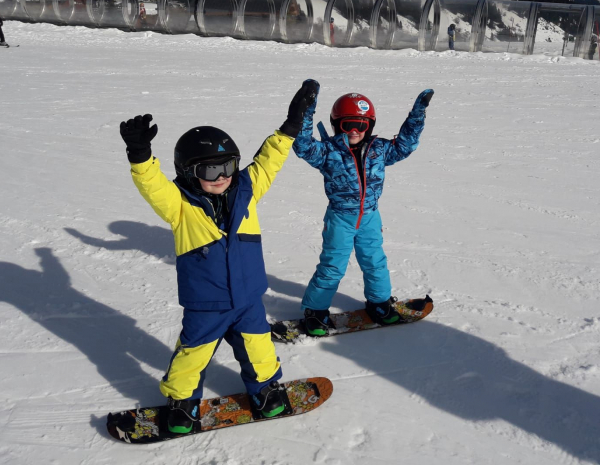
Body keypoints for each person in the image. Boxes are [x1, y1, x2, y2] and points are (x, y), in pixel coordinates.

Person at [118, 79, 317, 433]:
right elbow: (153, 186)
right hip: (205, 303)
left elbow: (269, 161)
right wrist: (140, 156)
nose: (223, 177)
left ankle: (265, 390)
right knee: (192, 355)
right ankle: (182, 403)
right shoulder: (179, 205)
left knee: (260, 349)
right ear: (189, 172)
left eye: (229, 167)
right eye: (212, 171)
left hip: (249, 298)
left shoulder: (248, 189)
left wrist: (288, 128)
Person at [292, 86, 434, 336]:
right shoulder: (327, 152)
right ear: (337, 125)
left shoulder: (380, 149)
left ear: (370, 125)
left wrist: (417, 115)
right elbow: (303, 146)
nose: (355, 131)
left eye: (361, 124)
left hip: (370, 216)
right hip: (340, 219)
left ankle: (379, 303)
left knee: (375, 262)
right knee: (332, 266)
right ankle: (315, 311)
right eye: (348, 125)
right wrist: (306, 111)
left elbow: (405, 145)